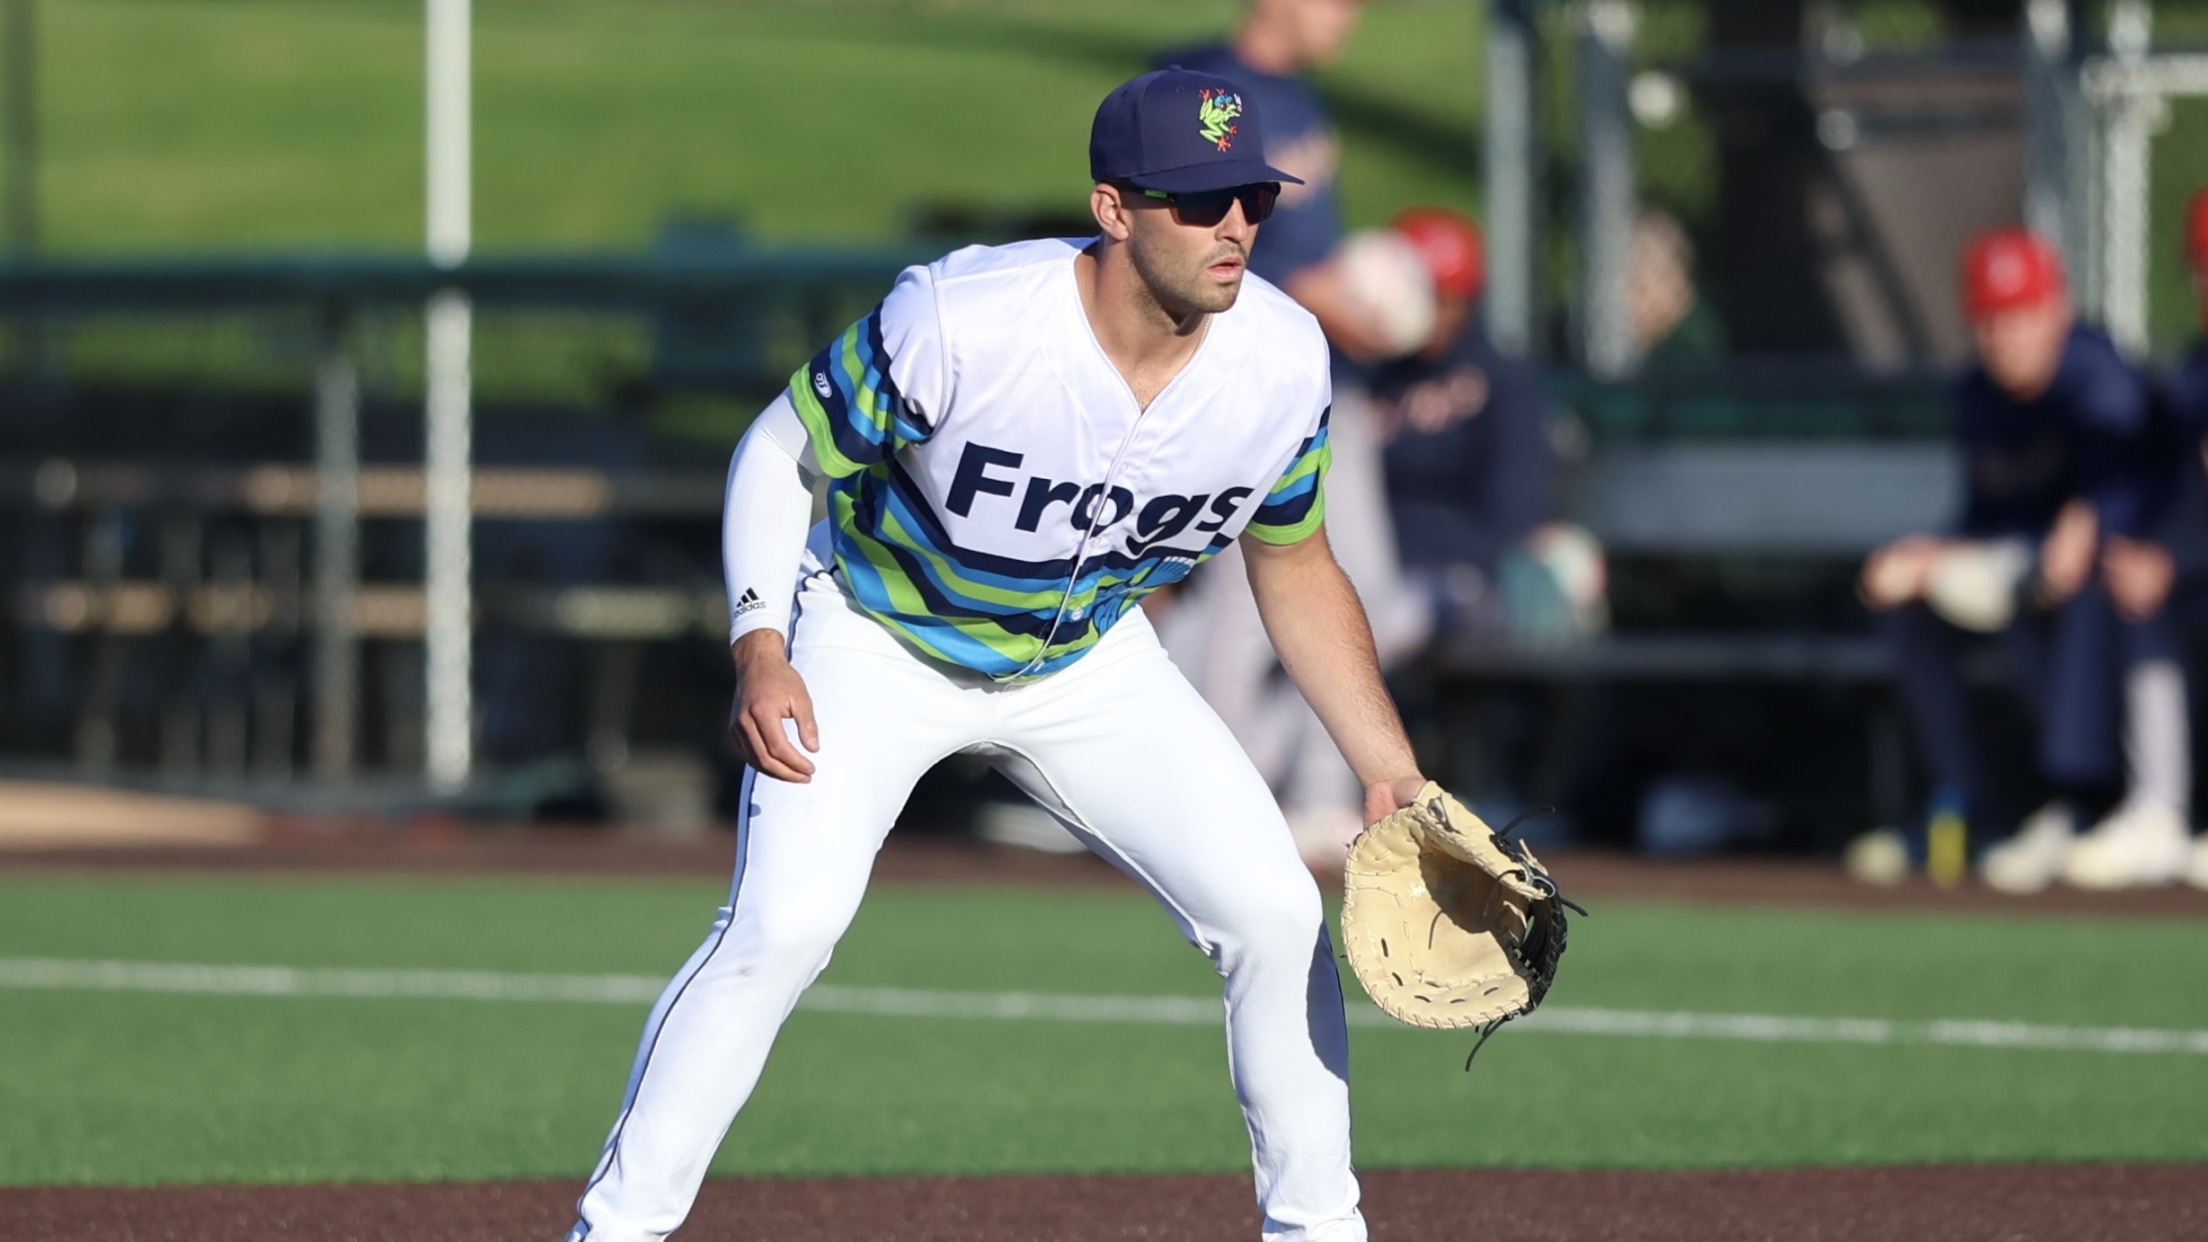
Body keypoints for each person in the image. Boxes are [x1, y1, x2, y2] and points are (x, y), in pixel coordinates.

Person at [561, 69, 1424, 1242]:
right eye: (1197, 199)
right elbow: (778, 454)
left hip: (1085, 666)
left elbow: (1296, 564)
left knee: (1277, 916)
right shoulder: (964, 319)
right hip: (876, 636)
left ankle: (1321, 1233)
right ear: (1113, 208)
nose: (1234, 225)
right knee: (785, 927)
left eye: (1254, 199)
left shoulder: (1281, 362)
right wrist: (761, 644)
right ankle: (615, 1232)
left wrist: (1390, 768)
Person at [1151, 0, 1431, 871]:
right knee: (1246, 600)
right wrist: (1332, 301)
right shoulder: (1205, 89)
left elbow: (1311, 255)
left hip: (1326, 382)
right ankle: (1205, 797)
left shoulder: (1301, 97)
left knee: (1368, 592)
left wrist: (1353, 306)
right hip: (1244, 377)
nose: (1350, 17)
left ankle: (1315, 794)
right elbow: (1187, 236)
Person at [1852, 228, 2183, 893]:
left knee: (2063, 589)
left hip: (2138, 578)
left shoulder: (2096, 377)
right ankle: (1964, 801)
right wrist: (1928, 553)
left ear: (2058, 309)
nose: (2005, 336)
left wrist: (2093, 517)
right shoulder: (1979, 393)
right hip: (2026, 567)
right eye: (1990, 320)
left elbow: (2140, 488)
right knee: (1910, 602)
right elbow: (1987, 516)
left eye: (2021, 316)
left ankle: (2085, 800)